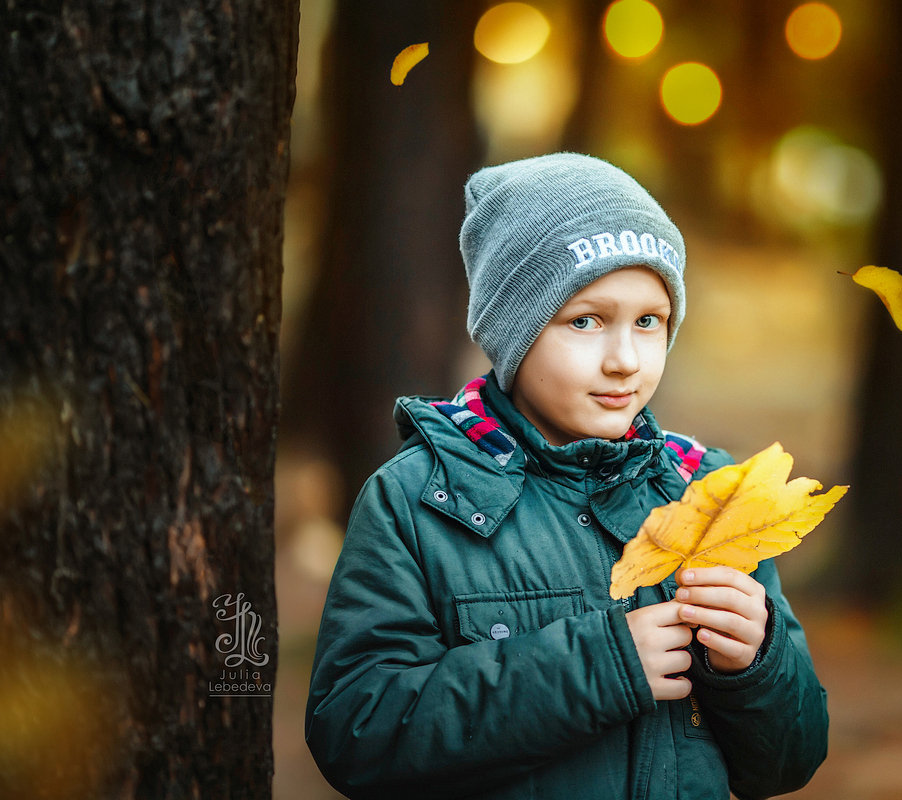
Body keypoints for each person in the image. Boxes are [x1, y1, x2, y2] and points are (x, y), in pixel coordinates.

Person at [305, 152, 828, 800]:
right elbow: (358, 732)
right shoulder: (418, 502)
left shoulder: (712, 494)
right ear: (513, 330)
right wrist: (599, 667)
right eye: (585, 321)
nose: (624, 359)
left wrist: (758, 660)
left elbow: (789, 762)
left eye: (649, 321)